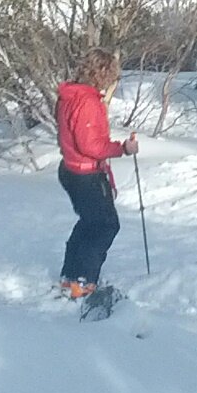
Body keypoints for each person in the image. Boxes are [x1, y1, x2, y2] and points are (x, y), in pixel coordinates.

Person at [55, 48, 137, 300]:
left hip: (72, 170)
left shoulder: (70, 95)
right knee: (105, 226)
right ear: (101, 73)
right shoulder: (87, 101)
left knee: (89, 223)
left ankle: (70, 276)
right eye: (111, 74)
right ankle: (83, 280)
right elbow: (89, 145)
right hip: (85, 174)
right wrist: (123, 148)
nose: (113, 79)